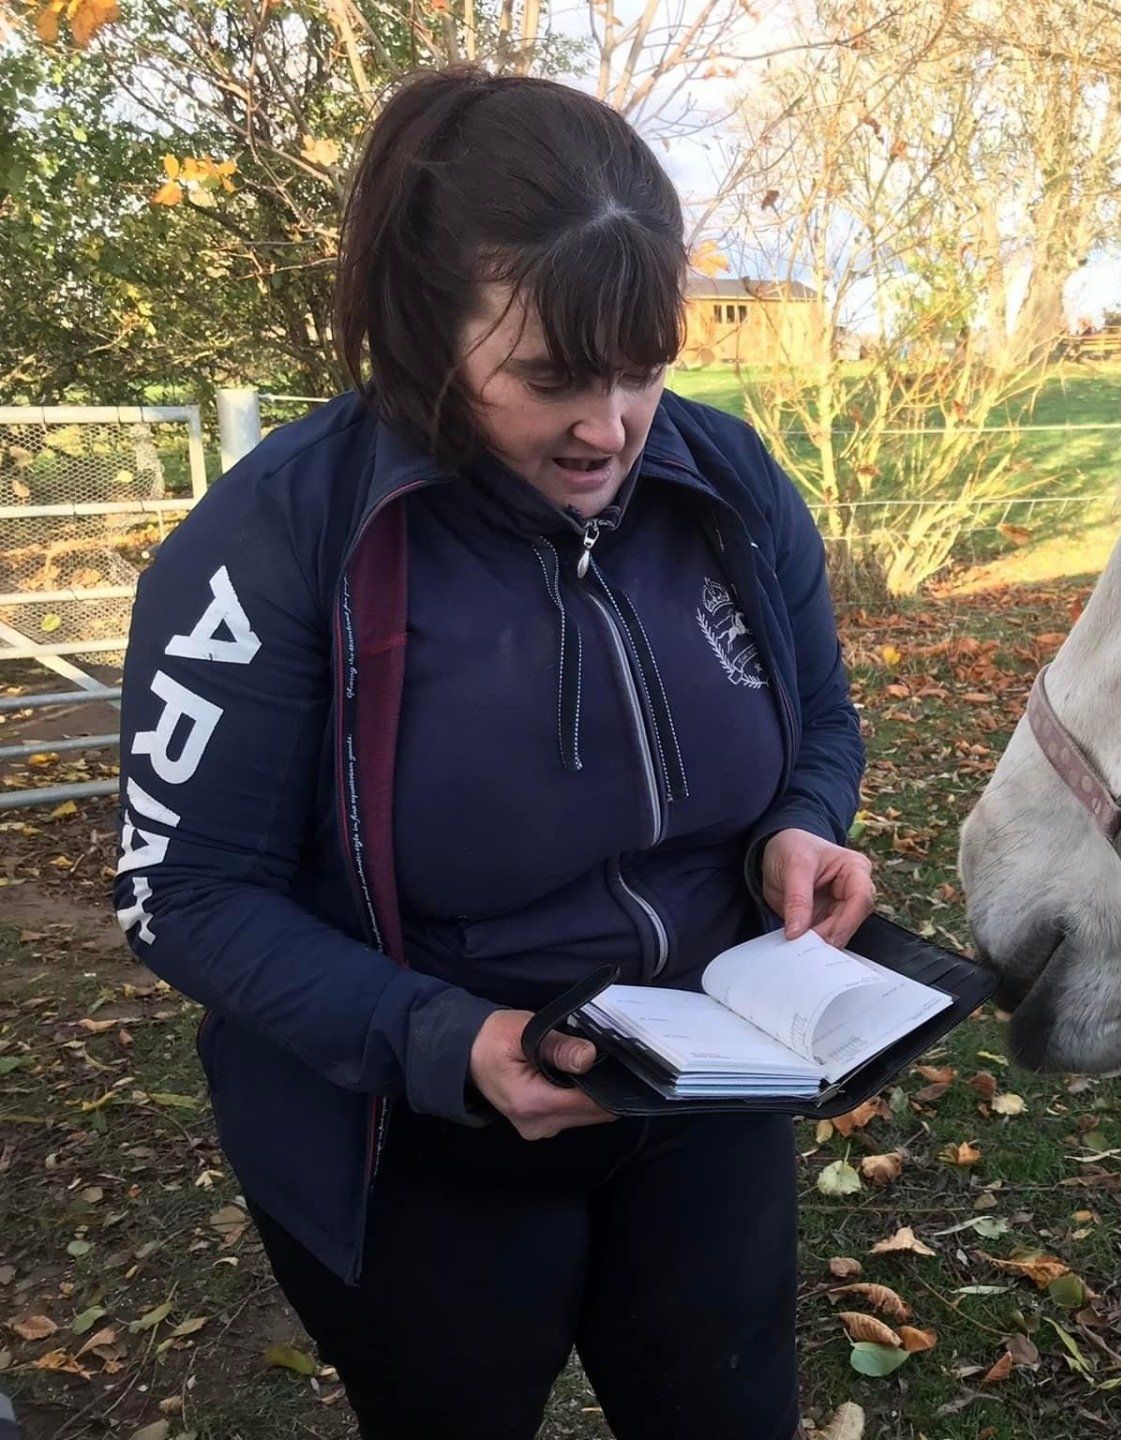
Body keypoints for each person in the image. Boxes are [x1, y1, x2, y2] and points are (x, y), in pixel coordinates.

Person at [112, 66, 872, 1439]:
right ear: (423, 329)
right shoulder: (281, 539)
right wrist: (446, 1040)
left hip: (708, 1098)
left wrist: (798, 824)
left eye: (646, 367)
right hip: (415, 1144)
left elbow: (819, 714)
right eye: (549, 378)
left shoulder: (729, 482)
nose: (612, 429)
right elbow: (184, 890)